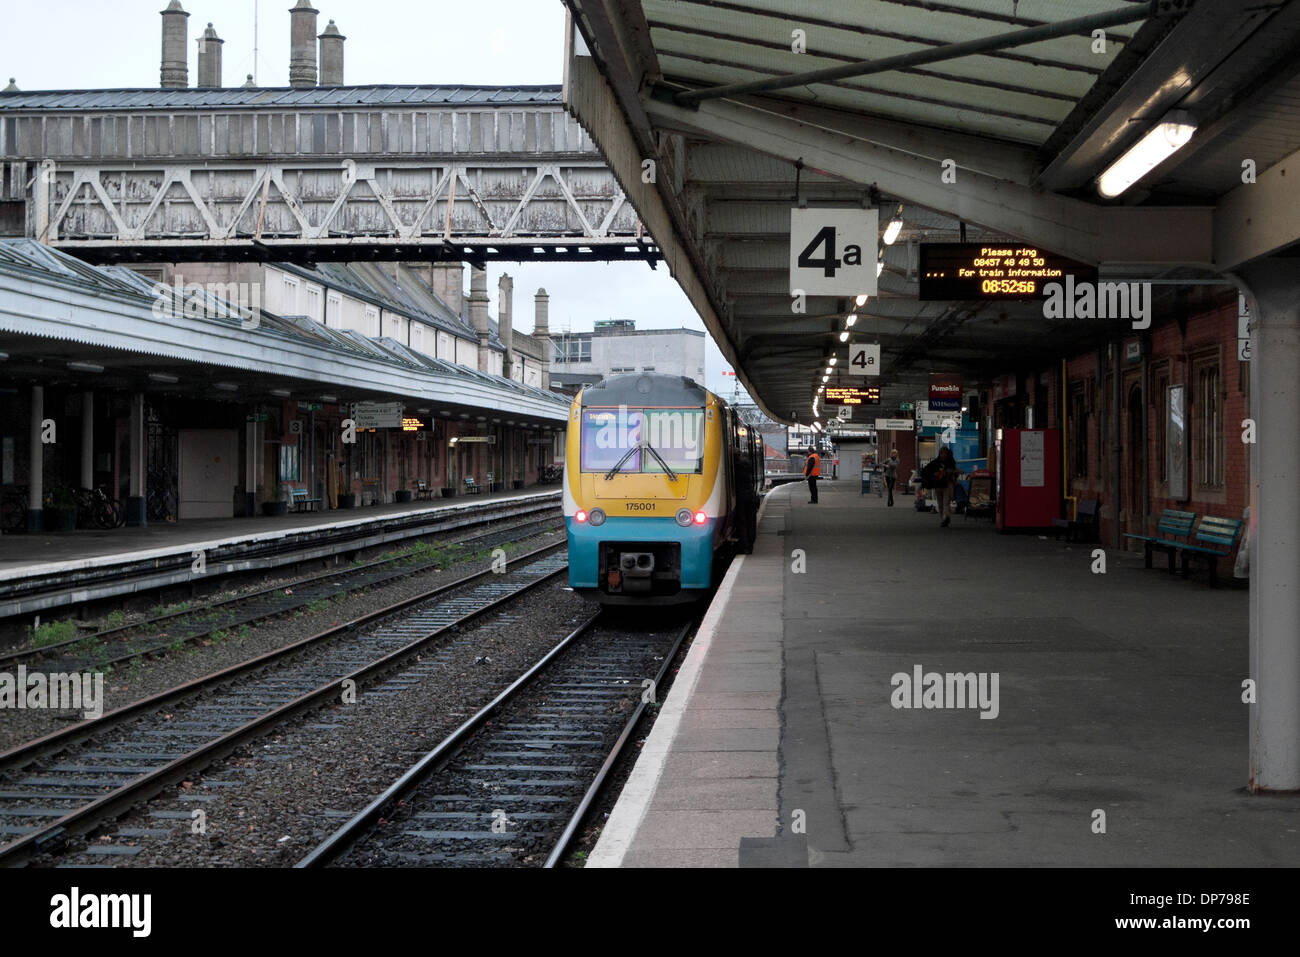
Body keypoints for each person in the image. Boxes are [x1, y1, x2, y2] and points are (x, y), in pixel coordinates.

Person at [931, 446, 960, 527]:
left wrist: (953, 473)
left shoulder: (951, 462)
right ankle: (944, 518)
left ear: (947, 454)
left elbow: (955, 472)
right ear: (939, 454)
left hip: (947, 485)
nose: (943, 455)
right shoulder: (936, 462)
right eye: (941, 453)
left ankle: (945, 517)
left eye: (945, 453)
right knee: (940, 503)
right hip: (938, 485)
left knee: (946, 503)